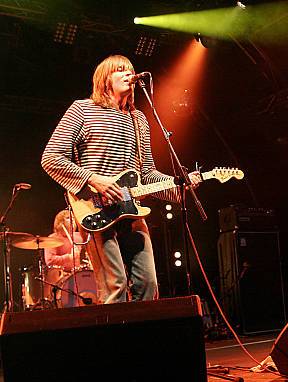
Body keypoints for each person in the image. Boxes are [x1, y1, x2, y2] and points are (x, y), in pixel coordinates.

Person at [41, 54, 188, 304]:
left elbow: (148, 175)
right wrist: (93, 179)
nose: (128, 74)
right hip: (95, 211)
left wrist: (180, 186)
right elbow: (51, 157)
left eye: (130, 70)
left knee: (148, 283)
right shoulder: (82, 109)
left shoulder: (138, 119)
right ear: (104, 78)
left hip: (131, 211)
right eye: (120, 70)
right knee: (115, 285)